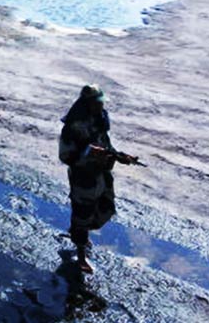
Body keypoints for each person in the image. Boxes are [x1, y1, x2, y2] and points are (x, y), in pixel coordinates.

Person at [58, 84, 139, 274]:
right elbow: (66, 156)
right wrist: (88, 153)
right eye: (97, 103)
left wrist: (120, 156)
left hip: (100, 175)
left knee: (104, 207)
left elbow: (106, 145)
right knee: (82, 213)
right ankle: (80, 254)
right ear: (87, 104)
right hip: (83, 178)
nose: (101, 107)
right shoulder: (73, 127)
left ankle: (79, 232)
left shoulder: (98, 121)